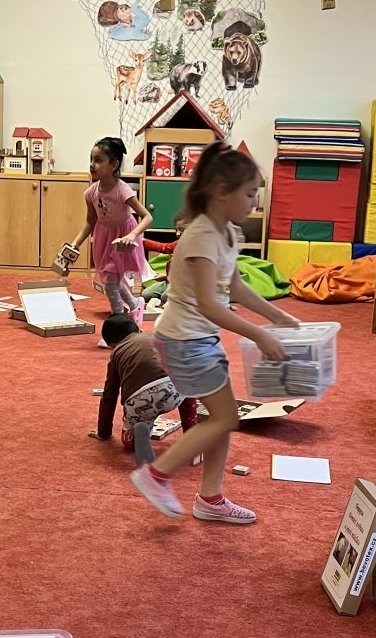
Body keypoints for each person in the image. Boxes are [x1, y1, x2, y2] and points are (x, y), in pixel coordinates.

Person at [129, 144, 300, 525]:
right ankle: (156, 475)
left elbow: (236, 287)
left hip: (200, 339)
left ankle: (210, 498)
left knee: (222, 418)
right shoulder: (201, 236)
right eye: (250, 193)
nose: (255, 202)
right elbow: (209, 303)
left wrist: (279, 316)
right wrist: (259, 334)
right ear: (222, 191)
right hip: (184, 340)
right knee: (225, 417)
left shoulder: (229, 233)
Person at [92, 312, 197, 466]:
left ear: (113, 345)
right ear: (139, 330)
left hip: (141, 401)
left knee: (136, 427)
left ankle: (135, 438)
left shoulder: (117, 353)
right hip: (178, 388)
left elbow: (110, 396)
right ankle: (192, 434)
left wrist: (103, 433)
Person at [65, 137, 153, 320]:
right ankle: (135, 304)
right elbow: (90, 221)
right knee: (111, 279)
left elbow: (147, 217)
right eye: (91, 159)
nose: (92, 164)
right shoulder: (91, 193)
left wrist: (132, 235)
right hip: (104, 239)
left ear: (114, 164)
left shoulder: (123, 190)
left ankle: (117, 319)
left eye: (98, 160)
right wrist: (75, 244)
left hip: (122, 239)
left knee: (111, 283)